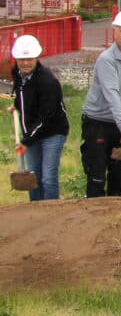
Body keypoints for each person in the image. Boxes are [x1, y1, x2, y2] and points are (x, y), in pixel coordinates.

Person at [80, 9, 121, 197]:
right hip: (97, 122)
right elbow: (113, 96)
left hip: (118, 122)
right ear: (114, 32)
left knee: (119, 173)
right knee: (97, 174)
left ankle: (116, 221)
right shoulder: (106, 60)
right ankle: (93, 219)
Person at [11, 35, 69, 201]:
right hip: (33, 132)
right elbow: (22, 96)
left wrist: (26, 140)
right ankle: (35, 212)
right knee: (33, 176)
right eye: (21, 59)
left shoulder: (47, 82)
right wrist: (15, 106)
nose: (25, 63)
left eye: (29, 59)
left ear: (36, 58)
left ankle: (51, 214)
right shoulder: (18, 74)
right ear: (16, 59)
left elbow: (47, 117)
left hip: (53, 131)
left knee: (48, 178)